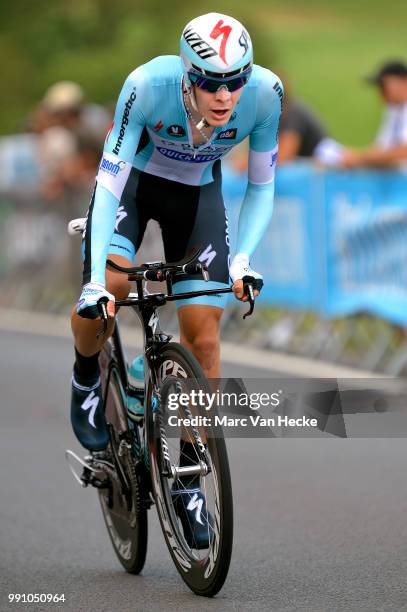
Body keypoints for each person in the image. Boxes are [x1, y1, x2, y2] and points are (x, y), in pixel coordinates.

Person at [70, 12, 282, 546]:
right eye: (212, 82)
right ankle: (86, 375)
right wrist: (96, 279)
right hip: (134, 192)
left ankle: (188, 475)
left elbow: (260, 187)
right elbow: (109, 183)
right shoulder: (146, 85)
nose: (225, 95)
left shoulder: (265, 94)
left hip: (198, 200)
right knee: (112, 289)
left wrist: (243, 259)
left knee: (204, 338)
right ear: (188, 74)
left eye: (236, 80)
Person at [341, 60, 407, 168]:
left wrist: (360, 158)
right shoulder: (394, 109)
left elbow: (403, 152)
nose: (381, 94)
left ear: (404, 81)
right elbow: (381, 148)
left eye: (384, 87)